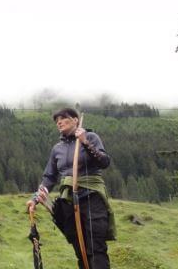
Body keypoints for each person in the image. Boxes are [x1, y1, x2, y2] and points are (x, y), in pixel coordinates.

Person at [26, 108, 115, 269]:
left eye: (63, 118)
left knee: (96, 248)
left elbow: (104, 162)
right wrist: (34, 199)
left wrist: (85, 142)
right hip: (69, 201)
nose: (59, 122)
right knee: (79, 248)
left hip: (92, 197)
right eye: (56, 121)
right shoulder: (57, 149)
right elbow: (49, 177)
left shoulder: (91, 137)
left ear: (75, 120)